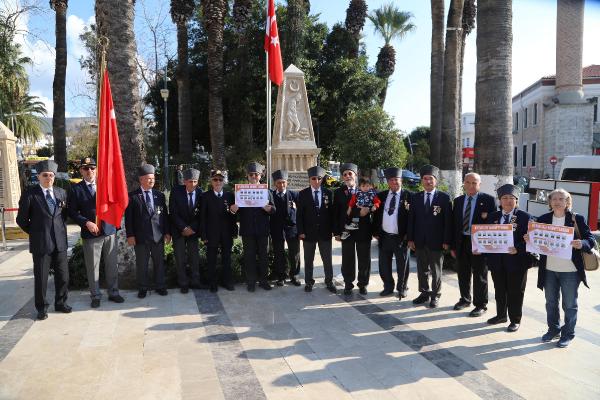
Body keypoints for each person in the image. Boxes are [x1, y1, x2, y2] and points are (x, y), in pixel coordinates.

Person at [530, 188, 595, 347]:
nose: (558, 202)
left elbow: (590, 239)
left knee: (569, 304)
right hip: (549, 269)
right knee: (550, 302)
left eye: (561, 199)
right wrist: (529, 239)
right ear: (550, 202)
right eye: (554, 199)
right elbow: (536, 239)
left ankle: (568, 334)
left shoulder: (576, 219)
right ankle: (553, 329)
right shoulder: (544, 218)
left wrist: (582, 244)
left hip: (570, 271)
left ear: (567, 202)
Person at [16, 160, 71, 320]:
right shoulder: (30, 194)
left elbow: (63, 216)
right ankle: (41, 308)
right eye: (45, 175)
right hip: (41, 243)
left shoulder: (61, 192)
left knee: (63, 276)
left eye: (51, 175)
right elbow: (21, 220)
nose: (48, 178)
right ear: (39, 177)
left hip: (59, 242)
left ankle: (61, 303)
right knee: (41, 278)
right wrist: (35, 232)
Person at [67, 157, 124, 308]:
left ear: (96, 169)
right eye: (86, 168)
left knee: (112, 264)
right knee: (93, 267)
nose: (89, 171)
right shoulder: (76, 189)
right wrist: (86, 222)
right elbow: (72, 211)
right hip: (91, 233)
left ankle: (113, 292)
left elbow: (116, 202)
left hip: (109, 230)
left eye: (92, 168)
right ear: (81, 171)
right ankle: (95, 295)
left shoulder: (105, 186)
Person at [484, 184, 531, 332]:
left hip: (517, 262)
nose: (508, 201)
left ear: (516, 200)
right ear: (500, 200)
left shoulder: (525, 217)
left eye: (511, 198)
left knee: (515, 291)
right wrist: (481, 247)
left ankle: (515, 319)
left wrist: (518, 248)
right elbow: (486, 236)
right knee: (499, 289)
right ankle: (501, 315)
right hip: (497, 262)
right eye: (504, 198)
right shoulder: (493, 217)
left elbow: (531, 239)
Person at [450, 172, 496, 317]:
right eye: (468, 182)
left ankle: (481, 304)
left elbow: (493, 224)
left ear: (479, 185)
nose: (471, 185)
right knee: (462, 273)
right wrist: (453, 246)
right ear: (464, 183)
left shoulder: (489, 200)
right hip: (462, 241)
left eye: (474, 183)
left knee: (480, 274)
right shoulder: (458, 201)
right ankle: (464, 299)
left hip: (479, 243)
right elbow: (454, 224)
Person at [407, 164, 452, 308]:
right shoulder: (416, 197)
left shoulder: (444, 198)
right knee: (422, 269)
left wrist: (446, 240)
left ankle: (435, 295)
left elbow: (447, 221)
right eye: (425, 179)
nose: (428, 182)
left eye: (430, 179)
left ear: (435, 181)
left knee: (436, 270)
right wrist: (411, 238)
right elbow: (411, 219)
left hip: (437, 241)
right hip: (419, 240)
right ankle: (424, 293)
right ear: (421, 181)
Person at [125, 164, 171, 298]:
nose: (152, 181)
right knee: (142, 265)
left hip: (158, 236)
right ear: (141, 180)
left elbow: (165, 216)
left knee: (159, 264)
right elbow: (129, 219)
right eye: (148, 178)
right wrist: (130, 235)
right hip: (140, 238)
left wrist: (167, 232)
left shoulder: (159, 196)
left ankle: (160, 286)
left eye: (153, 178)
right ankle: (143, 288)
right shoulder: (132, 196)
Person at [229, 162, 276, 292]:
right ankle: (250, 282)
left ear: (260, 175)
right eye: (251, 174)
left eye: (256, 174)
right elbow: (234, 211)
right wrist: (233, 209)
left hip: (262, 230)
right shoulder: (240, 191)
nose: (254, 176)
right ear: (247, 176)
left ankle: (263, 281)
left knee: (263, 256)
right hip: (247, 229)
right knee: (249, 257)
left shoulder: (266, 191)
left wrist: (269, 208)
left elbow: (274, 209)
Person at [333, 163, 373, 295]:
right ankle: (348, 284)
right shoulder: (338, 192)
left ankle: (363, 284)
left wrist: (369, 209)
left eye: (350, 173)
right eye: (345, 174)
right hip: (346, 231)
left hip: (363, 230)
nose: (347, 176)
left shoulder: (366, 189)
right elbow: (336, 214)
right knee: (347, 258)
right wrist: (337, 233)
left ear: (355, 175)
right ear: (342, 177)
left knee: (364, 259)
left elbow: (375, 208)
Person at [372, 167, 411, 298]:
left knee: (402, 265)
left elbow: (413, 218)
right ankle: (388, 286)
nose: (394, 182)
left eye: (397, 179)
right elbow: (376, 215)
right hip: (384, 236)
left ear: (401, 181)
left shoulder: (409, 196)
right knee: (384, 264)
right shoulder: (381, 196)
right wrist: (375, 231)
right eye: (391, 180)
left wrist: (409, 235)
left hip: (401, 237)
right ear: (388, 182)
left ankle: (402, 287)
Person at [297, 166, 337, 293]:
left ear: (322, 179)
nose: (316, 181)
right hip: (308, 233)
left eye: (319, 178)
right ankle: (309, 282)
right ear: (309, 179)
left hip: (325, 232)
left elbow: (332, 214)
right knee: (309, 259)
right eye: (313, 178)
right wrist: (301, 231)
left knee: (327, 259)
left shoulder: (328, 193)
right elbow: (299, 215)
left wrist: (333, 230)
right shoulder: (302, 194)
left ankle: (329, 281)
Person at [200, 170, 237, 291]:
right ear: (211, 181)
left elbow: (233, 216)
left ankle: (227, 282)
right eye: (215, 179)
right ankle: (213, 283)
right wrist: (204, 235)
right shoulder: (205, 196)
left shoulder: (229, 196)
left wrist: (234, 232)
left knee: (227, 259)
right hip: (211, 234)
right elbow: (202, 218)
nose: (218, 182)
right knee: (212, 260)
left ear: (224, 181)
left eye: (220, 180)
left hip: (226, 234)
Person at [169, 168, 203, 293]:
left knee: (194, 258)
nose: (192, 184)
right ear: (184, 181)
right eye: (190, 181)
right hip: (179, 230)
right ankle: (183, 283)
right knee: (180, 257)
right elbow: (173, 212)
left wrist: (192, 228)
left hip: (193, 231)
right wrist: (183, 227)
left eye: (195, 181)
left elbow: (202, 214)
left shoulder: (200, 193)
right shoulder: (176, 192)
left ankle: (195, 281)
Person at [269, 169, 301, 286]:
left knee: (295, 253)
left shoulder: (294, 195)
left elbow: (301, 213)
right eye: (278, 182)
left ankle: (294, 275)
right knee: (279, 253)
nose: (281, 185)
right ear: (275, 184)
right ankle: (281, 276)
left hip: (292, 229)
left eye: (283, 182)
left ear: (287, 182)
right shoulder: (270, 195)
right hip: (276, 228)